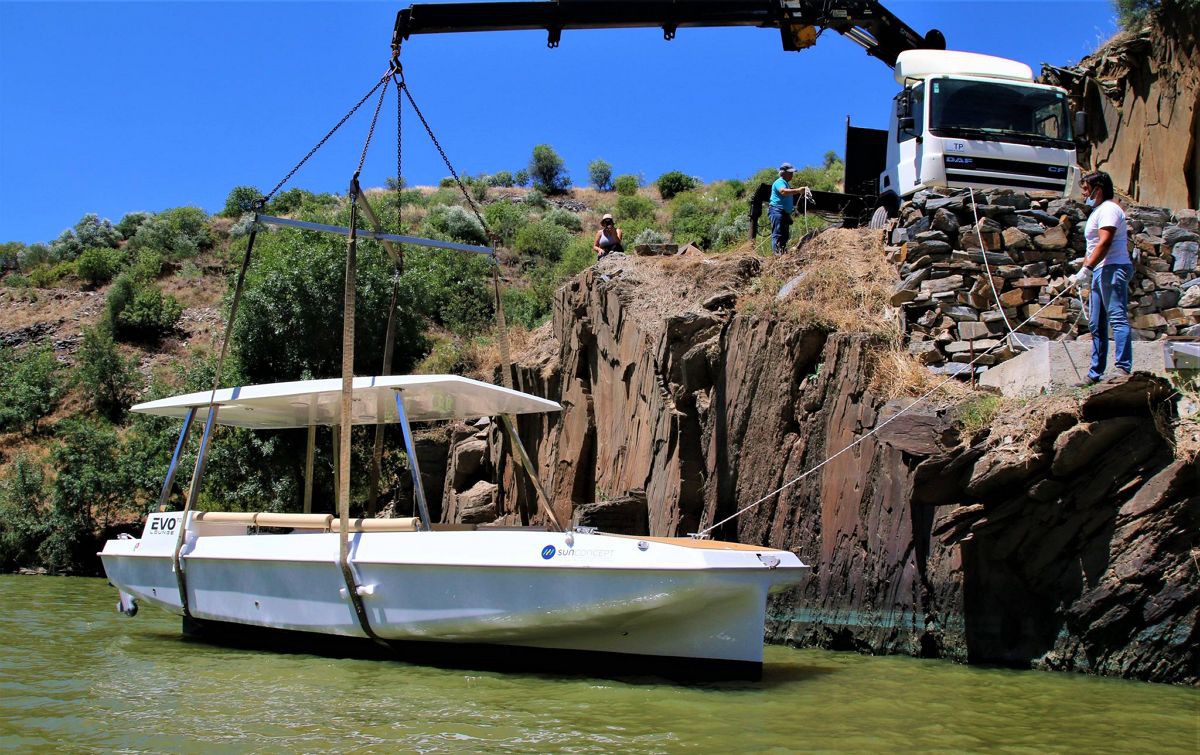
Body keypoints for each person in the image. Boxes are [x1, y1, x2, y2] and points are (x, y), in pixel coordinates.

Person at [1072, 170, 1131, 384]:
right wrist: (1085, 267)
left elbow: (1105, 242)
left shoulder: (1109, 209)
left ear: (1098, 189)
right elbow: (1094, 245)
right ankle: (1095, 373)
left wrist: (1087, 267)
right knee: (1096, 323)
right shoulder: (1097, 212)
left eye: (1086, 189)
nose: (1084, 194)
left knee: (1116, 317)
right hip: (1100, 270)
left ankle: (1123, 367)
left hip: (1113, 267)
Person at [768, 163, 810, 254]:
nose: (792, 175)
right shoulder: (780, 182)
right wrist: (798, 190)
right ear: (783, 173)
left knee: (784, 235)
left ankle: (782, 254)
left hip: (783, 213)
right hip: (777, 210)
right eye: (790, 173)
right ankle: (777, 255)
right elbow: (783, 192)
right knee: (778, 233)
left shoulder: (786, 184)